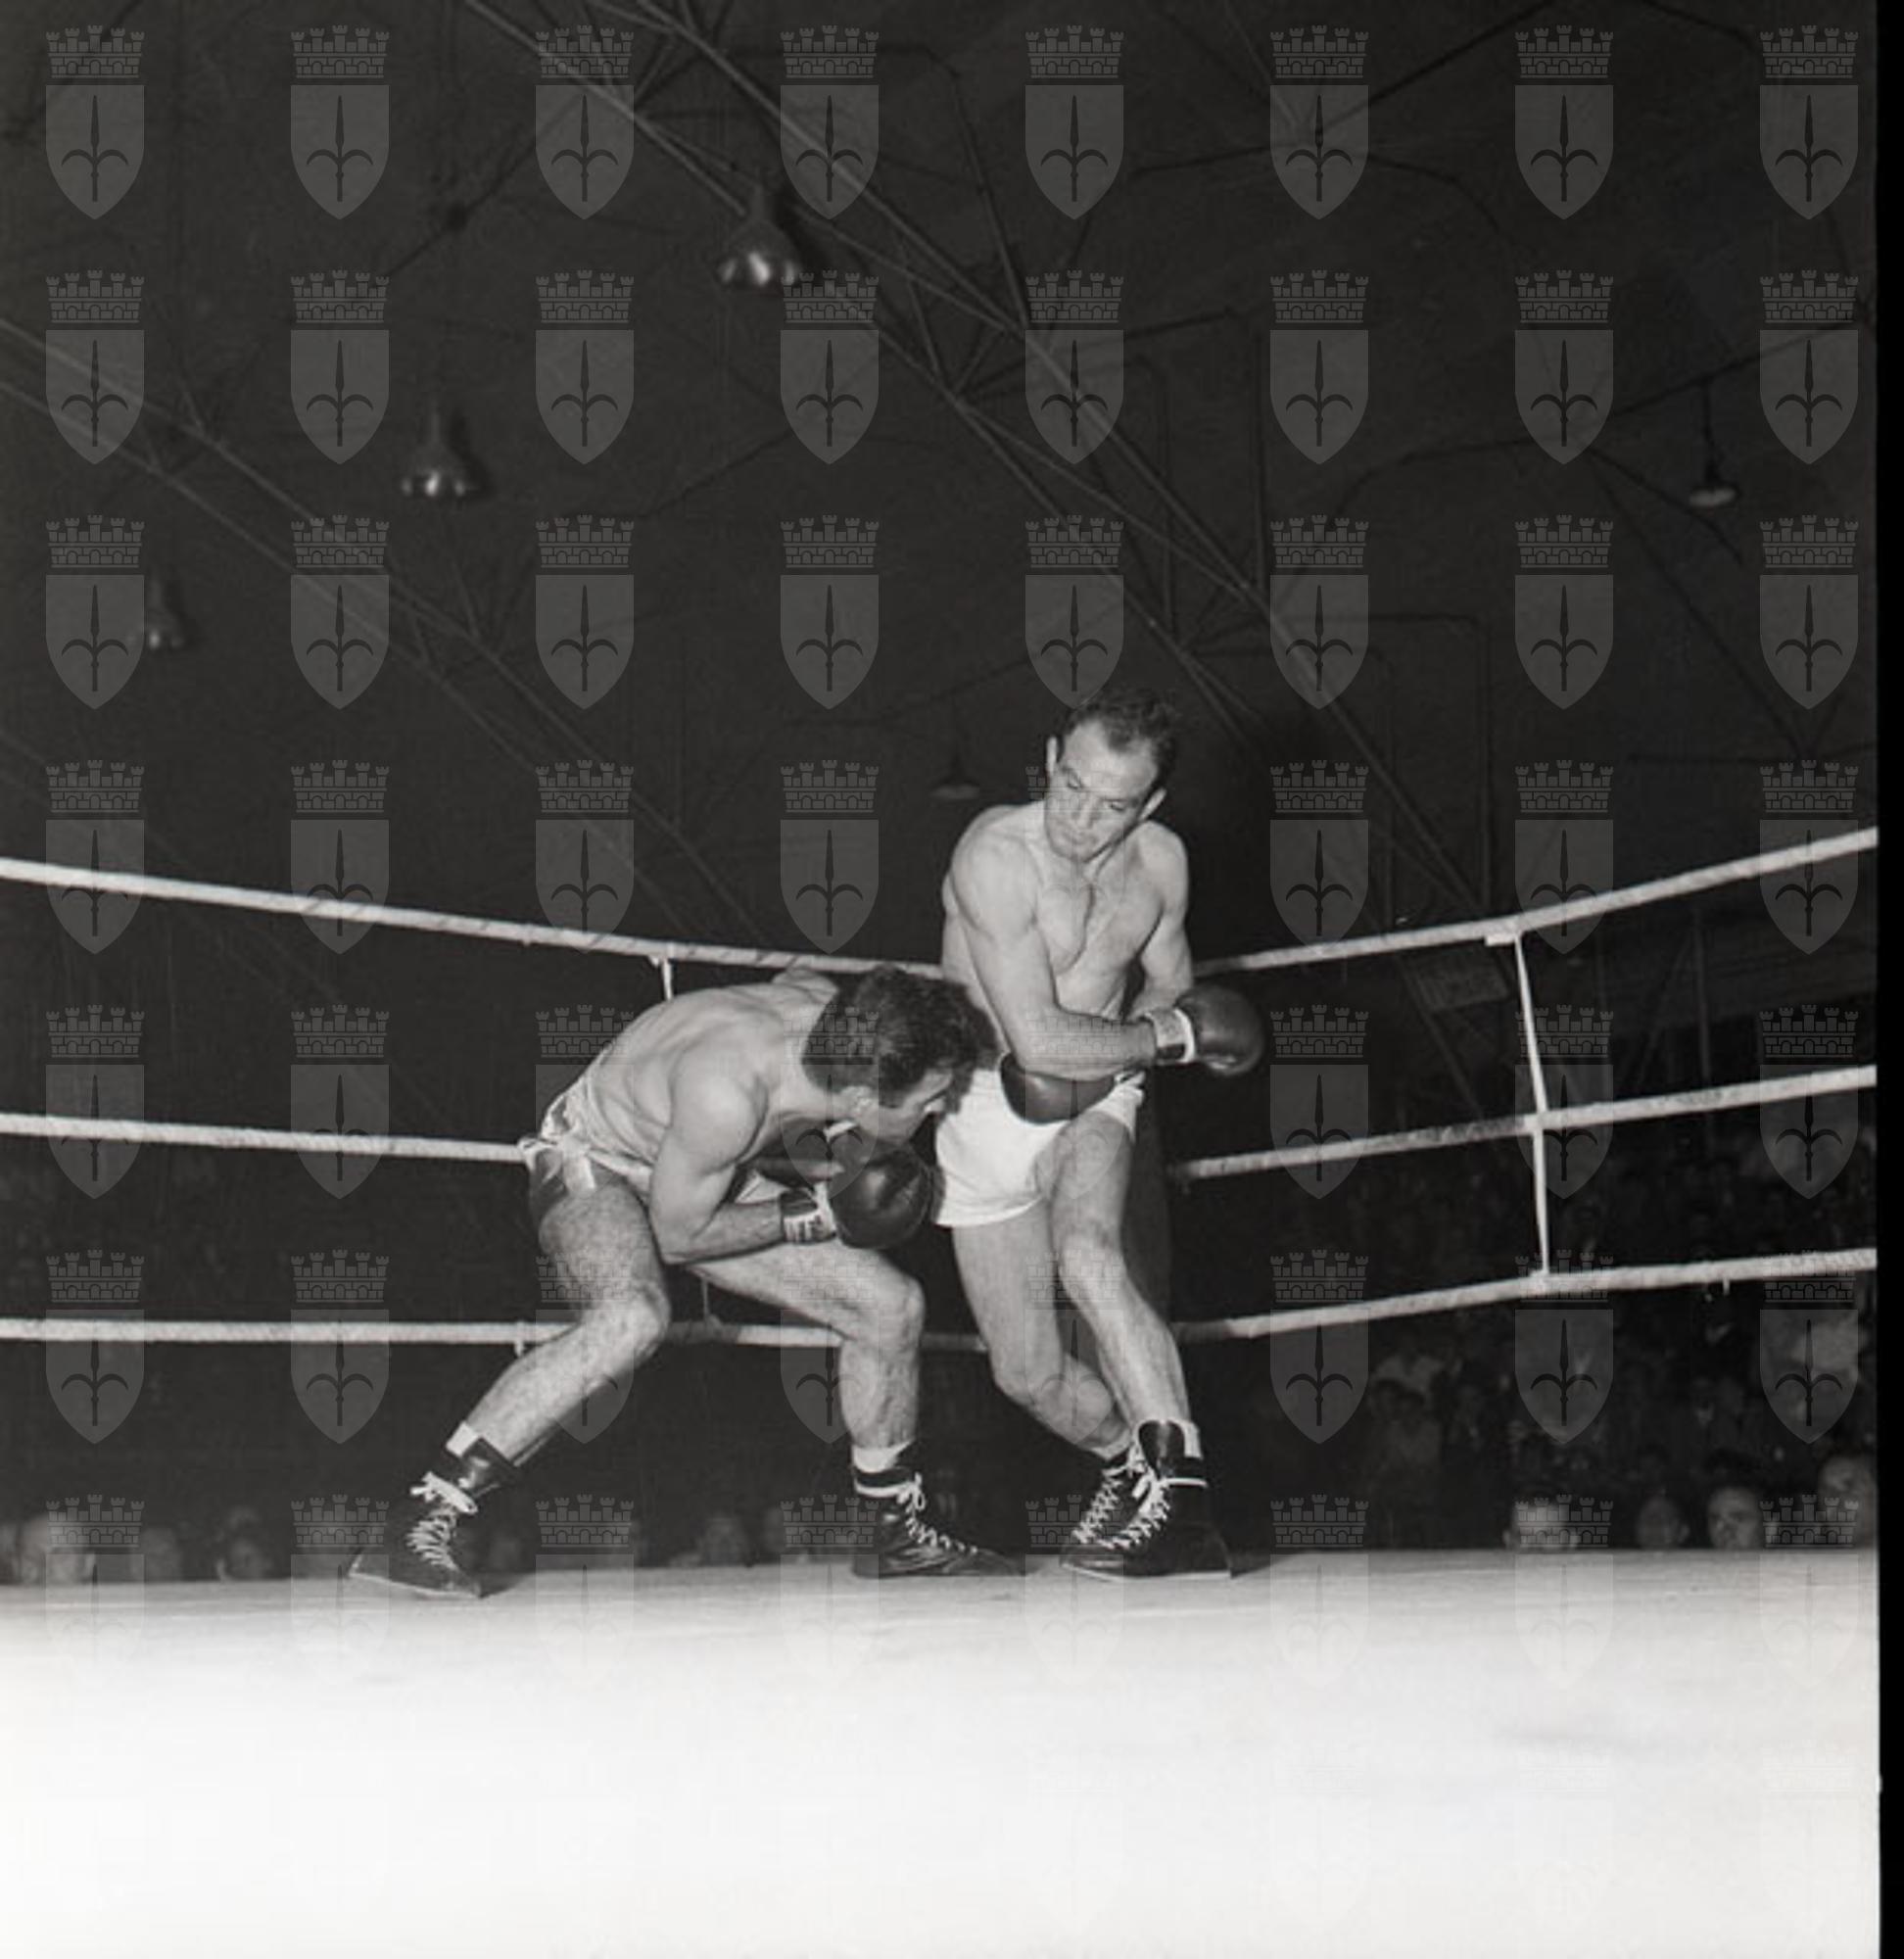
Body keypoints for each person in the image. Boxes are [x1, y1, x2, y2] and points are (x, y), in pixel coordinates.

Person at [354, 964, 1011, 1599]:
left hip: (695, 1164)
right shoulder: (727, 1094)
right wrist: (818, 1212)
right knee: (631, 1317)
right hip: (595, 1156)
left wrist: (843, 1138)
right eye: (930, 1100)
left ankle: (892, 1531)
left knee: (890, 1306)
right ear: (866, 1096)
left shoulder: (829, 1015)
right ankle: (418, 1519)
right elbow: (682, 1237)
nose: (939, 1110)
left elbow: (789, 977)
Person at [935, 687, 1262, 1578]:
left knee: (1087, 1252)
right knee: (1027, 1374)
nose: (1080, 817)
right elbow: (1038, 1040)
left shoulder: (1162, 864)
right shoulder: (994, 856)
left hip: (1100, 1092)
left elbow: (1170, 982)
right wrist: (1173, 1038)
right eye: (1071, 785)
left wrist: (1156, 1032)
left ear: (1148, 805)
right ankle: (1128, 1466)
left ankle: (1183, 1499)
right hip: (982, 1100)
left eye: (1111, 804)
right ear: (1051, 758)